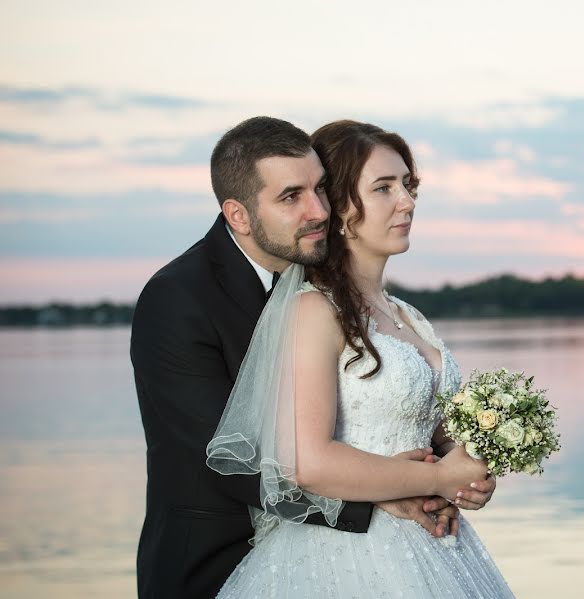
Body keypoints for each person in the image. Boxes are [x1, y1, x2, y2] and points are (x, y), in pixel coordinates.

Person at [130, 116, 495, 598]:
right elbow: (225, 457)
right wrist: (398, 490)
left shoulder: (331, 283)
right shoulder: (180, 299)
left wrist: (454, 472)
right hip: (217, 556)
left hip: (398, 548)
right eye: (290, 197)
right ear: (238, 215)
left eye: (320, 188)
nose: (317, 210)